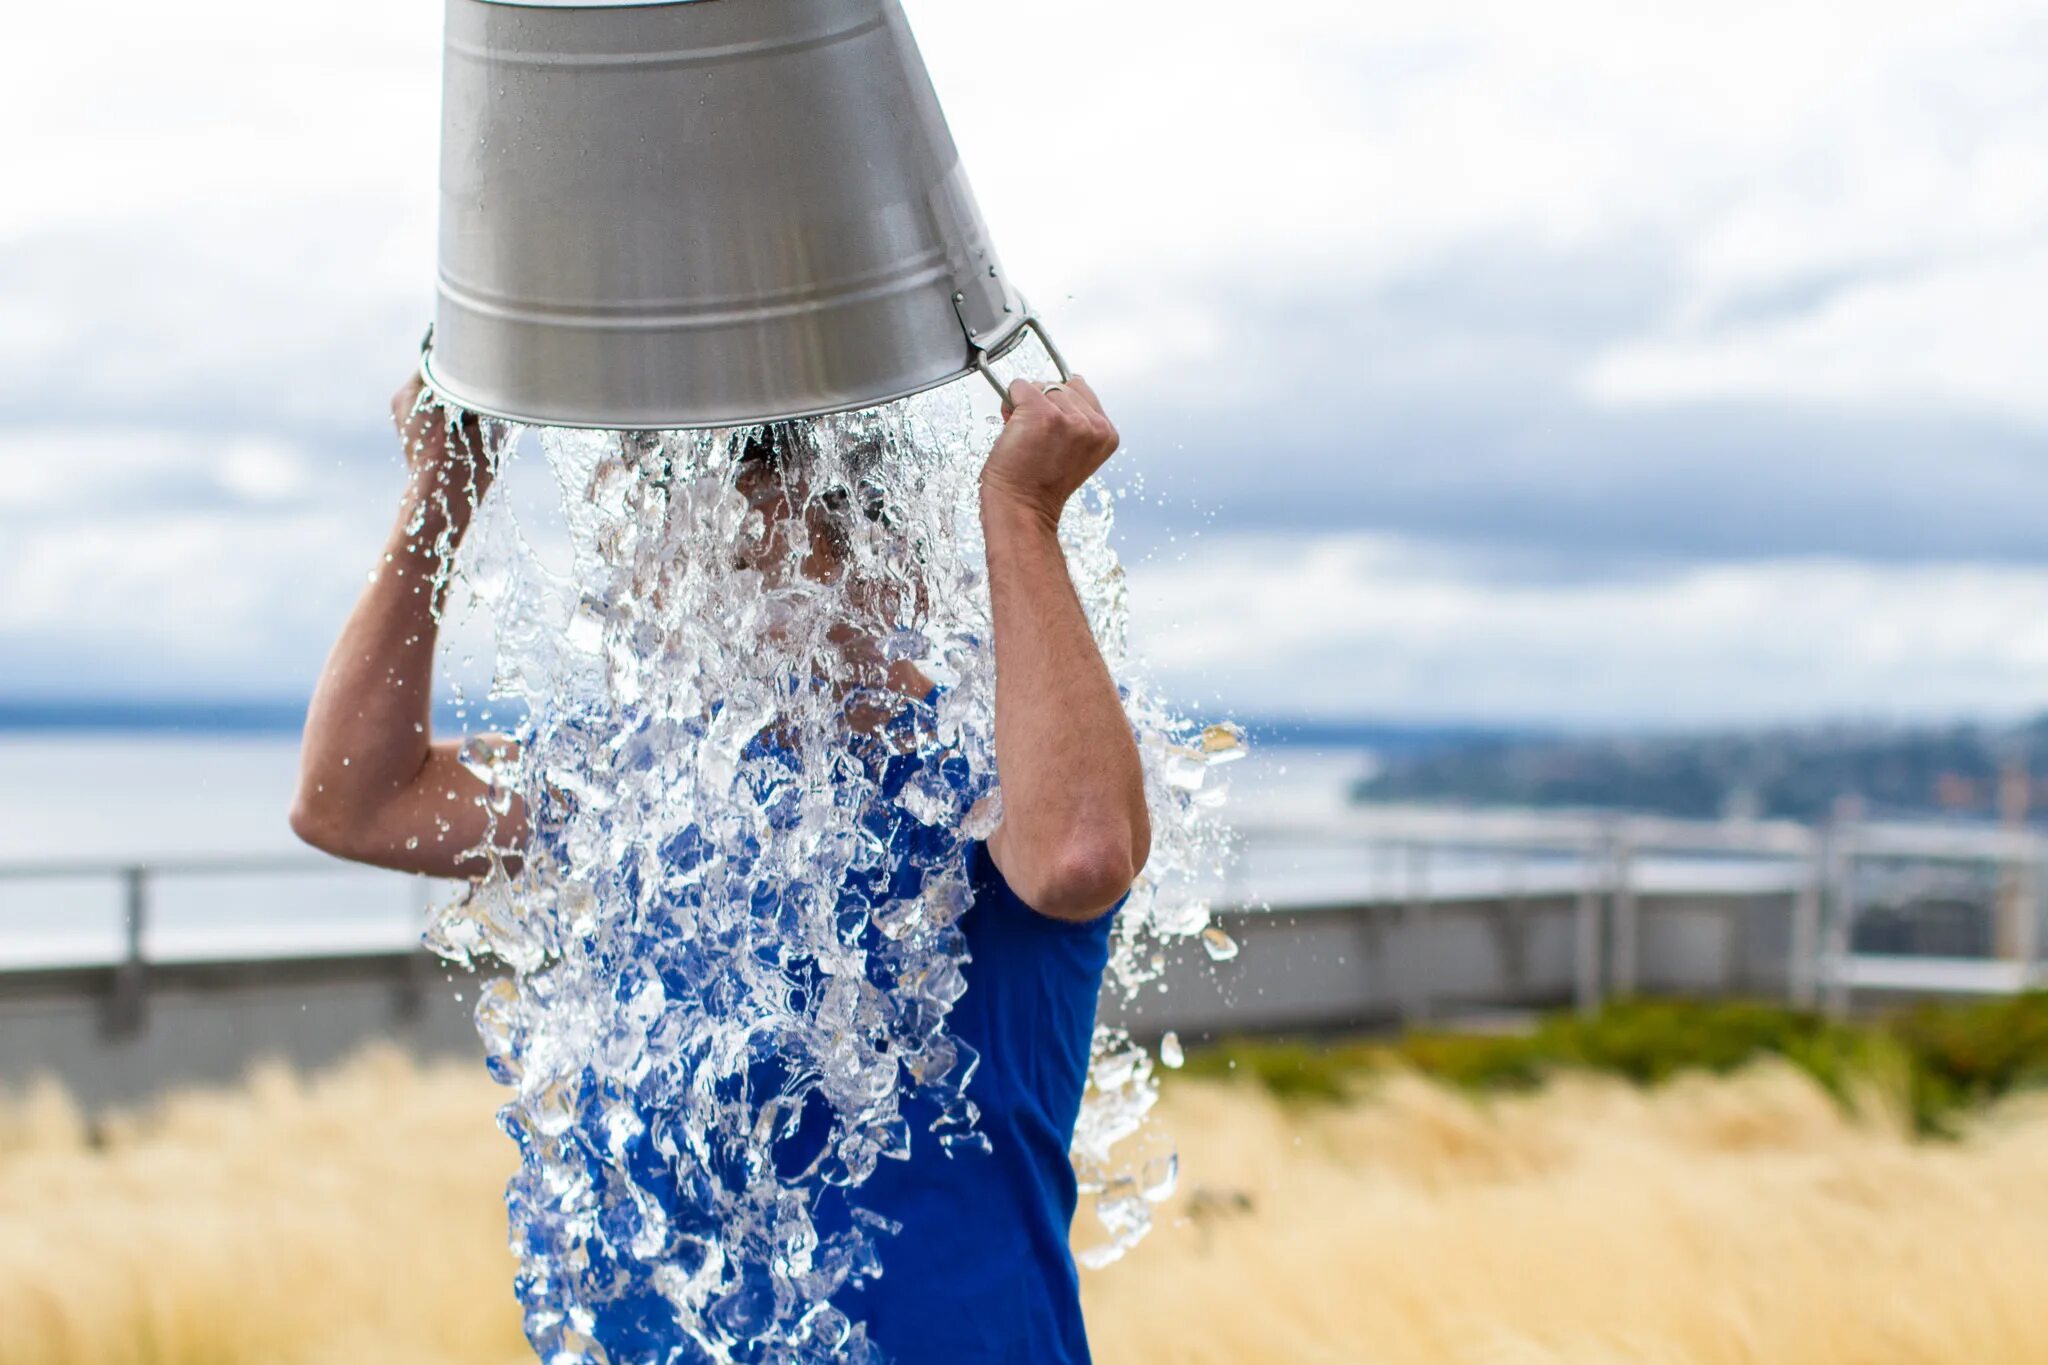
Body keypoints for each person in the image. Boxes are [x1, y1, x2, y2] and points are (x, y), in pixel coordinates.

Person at [290, 368, 1152, 1363]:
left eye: (750, 565)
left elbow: (1081, 854)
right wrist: (445, 488)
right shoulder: (646, 784)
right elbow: (354, 801)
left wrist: (1021, 509)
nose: (704, 610)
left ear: (888, 563)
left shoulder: (977, 779)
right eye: (692, 567)